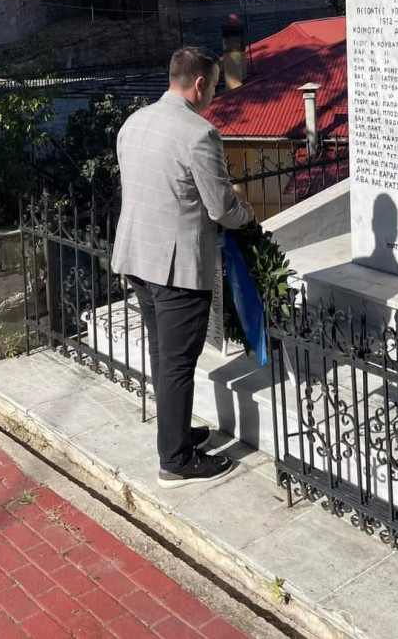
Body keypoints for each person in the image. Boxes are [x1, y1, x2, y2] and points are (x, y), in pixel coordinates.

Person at [111, 46, 254, 487]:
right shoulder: (199, 134)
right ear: (199, 84)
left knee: (163, 355)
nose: (214, 94)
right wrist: (248, 217)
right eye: (214, 86)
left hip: (138, 256)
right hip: (176, 268)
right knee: (177, 362)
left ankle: (175, 433)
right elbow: (221, 207)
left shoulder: (134, 122)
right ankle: (175, 460)